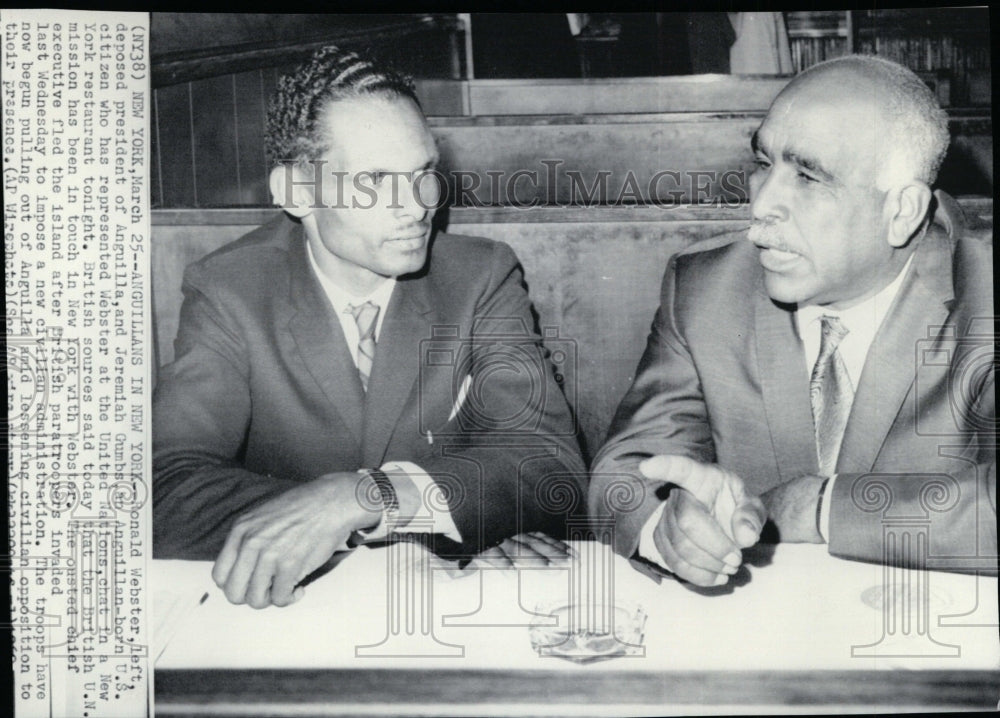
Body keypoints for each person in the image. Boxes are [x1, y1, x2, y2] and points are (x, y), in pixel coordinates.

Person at [153, 45, 586, 607]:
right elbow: (166, 484)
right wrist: (346, 526)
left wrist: (363, 497)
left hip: (451, 600)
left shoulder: (480, 275)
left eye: (424, 174)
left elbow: (550, 466)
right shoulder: (231, 289)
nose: (417, 207)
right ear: (297, 193)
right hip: (296, 609)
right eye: (376, 181)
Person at [590, 55, 995, 587]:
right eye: (764, 164)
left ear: (901, 212)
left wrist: (822, 509)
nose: (760, 207)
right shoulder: (706, 286)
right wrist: (666, 523)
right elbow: (624, 469)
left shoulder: (982, 297)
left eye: (807, 176)